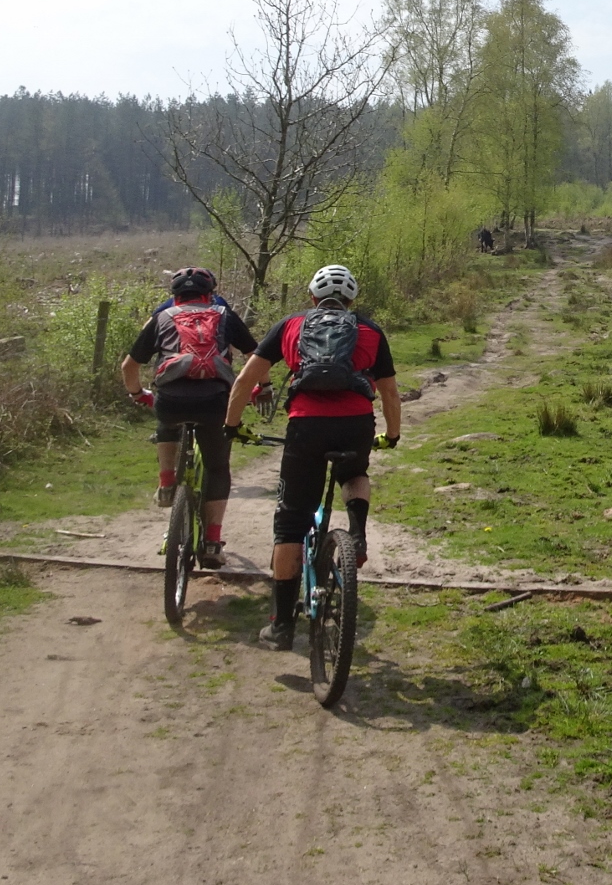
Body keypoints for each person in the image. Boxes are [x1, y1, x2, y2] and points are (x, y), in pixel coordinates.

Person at [225, 264, 402, 653]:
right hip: (355, 423)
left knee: (290, 523)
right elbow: (390, 392)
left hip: (306, 425)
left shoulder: (290, 325)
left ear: (312, 297)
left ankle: (281, 627)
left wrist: (232, 424)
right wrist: (392, 435)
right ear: (351, 300)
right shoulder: (370, 330)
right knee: (353, 473)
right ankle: (357, 534)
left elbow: (245, 380)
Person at [121, 267, 259, 569]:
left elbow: (128, 367)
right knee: (217, 468)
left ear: (174, 296)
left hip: (172, 402)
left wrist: (138, 394)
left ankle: (166, 482)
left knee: (165, 415)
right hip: (215, 402)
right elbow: (256, 356)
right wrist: (258, 387)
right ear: (210, 294)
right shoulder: (224, 314)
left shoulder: (162, 317)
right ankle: (212, 542)